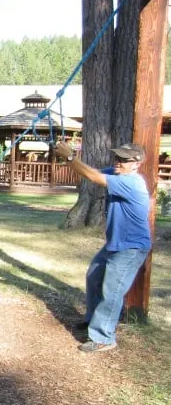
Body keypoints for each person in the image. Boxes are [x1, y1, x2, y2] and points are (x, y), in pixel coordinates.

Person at [56, 141, 151, 353]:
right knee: (94, 277)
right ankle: (92, 320)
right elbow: (91, 172)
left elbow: (93, 177)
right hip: (115, 243)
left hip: (131, 247)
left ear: (136, 164)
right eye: (117, 157)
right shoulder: (117, 175)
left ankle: (104, 337)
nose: (118, 162)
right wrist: (70, 157)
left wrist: (71, 157)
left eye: (124, 160)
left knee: (112, 289)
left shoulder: (132, 182)